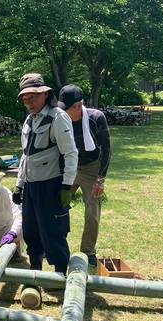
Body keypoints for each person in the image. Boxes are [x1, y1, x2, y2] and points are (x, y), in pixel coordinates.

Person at [13, 73, 78, 276]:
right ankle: (36, 273)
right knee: (31, 232)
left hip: (52, 185)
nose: (29, 102)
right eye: (25, 98)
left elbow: (70, 153)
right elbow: (26, 156)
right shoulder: (29, 120)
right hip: (31, 186)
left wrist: (66, 186)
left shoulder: (58, 117)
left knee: (53, 232)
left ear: (45, 94)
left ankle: (59, 276)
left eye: (33, 97)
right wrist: (19, 185)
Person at [58, 84, 112, 267]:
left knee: (92, 210)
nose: (62, 112)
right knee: (57, 205)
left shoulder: (96, 117)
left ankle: (88, 251)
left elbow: (107, 149)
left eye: (66, 109)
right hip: (69, 166)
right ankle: (55, 245)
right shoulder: (60, 118)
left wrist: (100, 179)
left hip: (91, 167)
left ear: (78, 106)